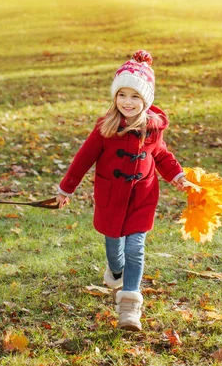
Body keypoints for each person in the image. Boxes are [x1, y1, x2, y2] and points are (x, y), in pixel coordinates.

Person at [55, 49, 187, 331]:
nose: (128, 102)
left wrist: (176, 175)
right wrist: (66, 189)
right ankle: (115, 273)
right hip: (111, 197)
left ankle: (129, 307)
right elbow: (83, 158)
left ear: (146, 99)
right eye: (122, 95)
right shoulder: (106, 127)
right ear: (115, 97)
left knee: (136, 248)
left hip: (142, 196)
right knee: (114, 249)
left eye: (135, 96)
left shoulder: (152, 127)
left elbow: (160, 154)